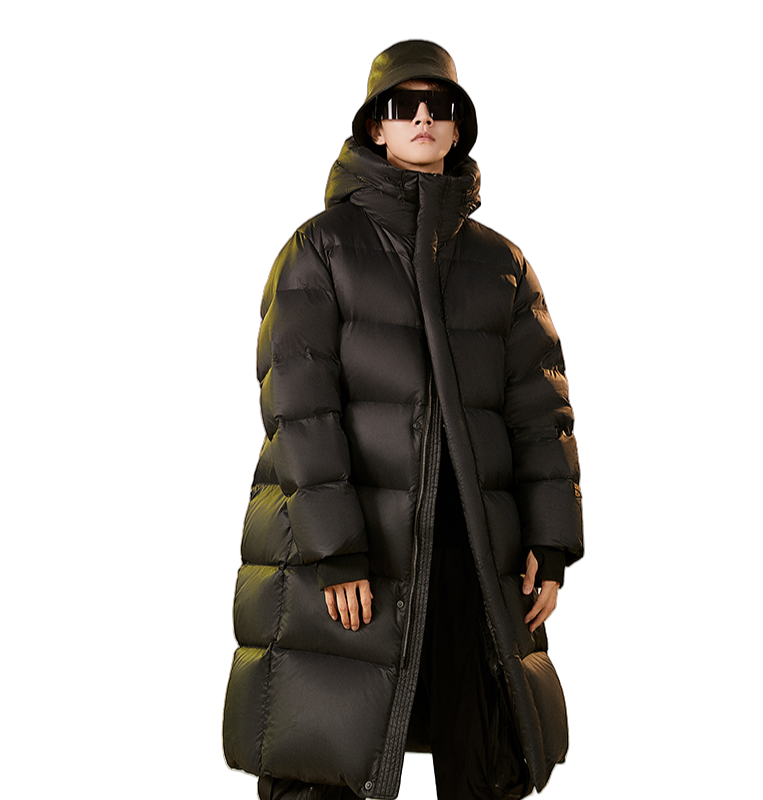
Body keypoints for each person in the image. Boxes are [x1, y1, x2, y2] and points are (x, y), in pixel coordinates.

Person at [222, 40, 584, 800]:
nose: (423, 117)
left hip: (473, 549)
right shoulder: (320, 249)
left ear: (458, 128)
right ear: (376, 127)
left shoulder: (503, 265)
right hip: (354, 548)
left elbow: (540, 411)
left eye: (440, 106)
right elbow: (299, 409)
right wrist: (336, 550)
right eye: (403, 105)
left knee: (489, 754)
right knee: (325, 754)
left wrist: (549, 543)